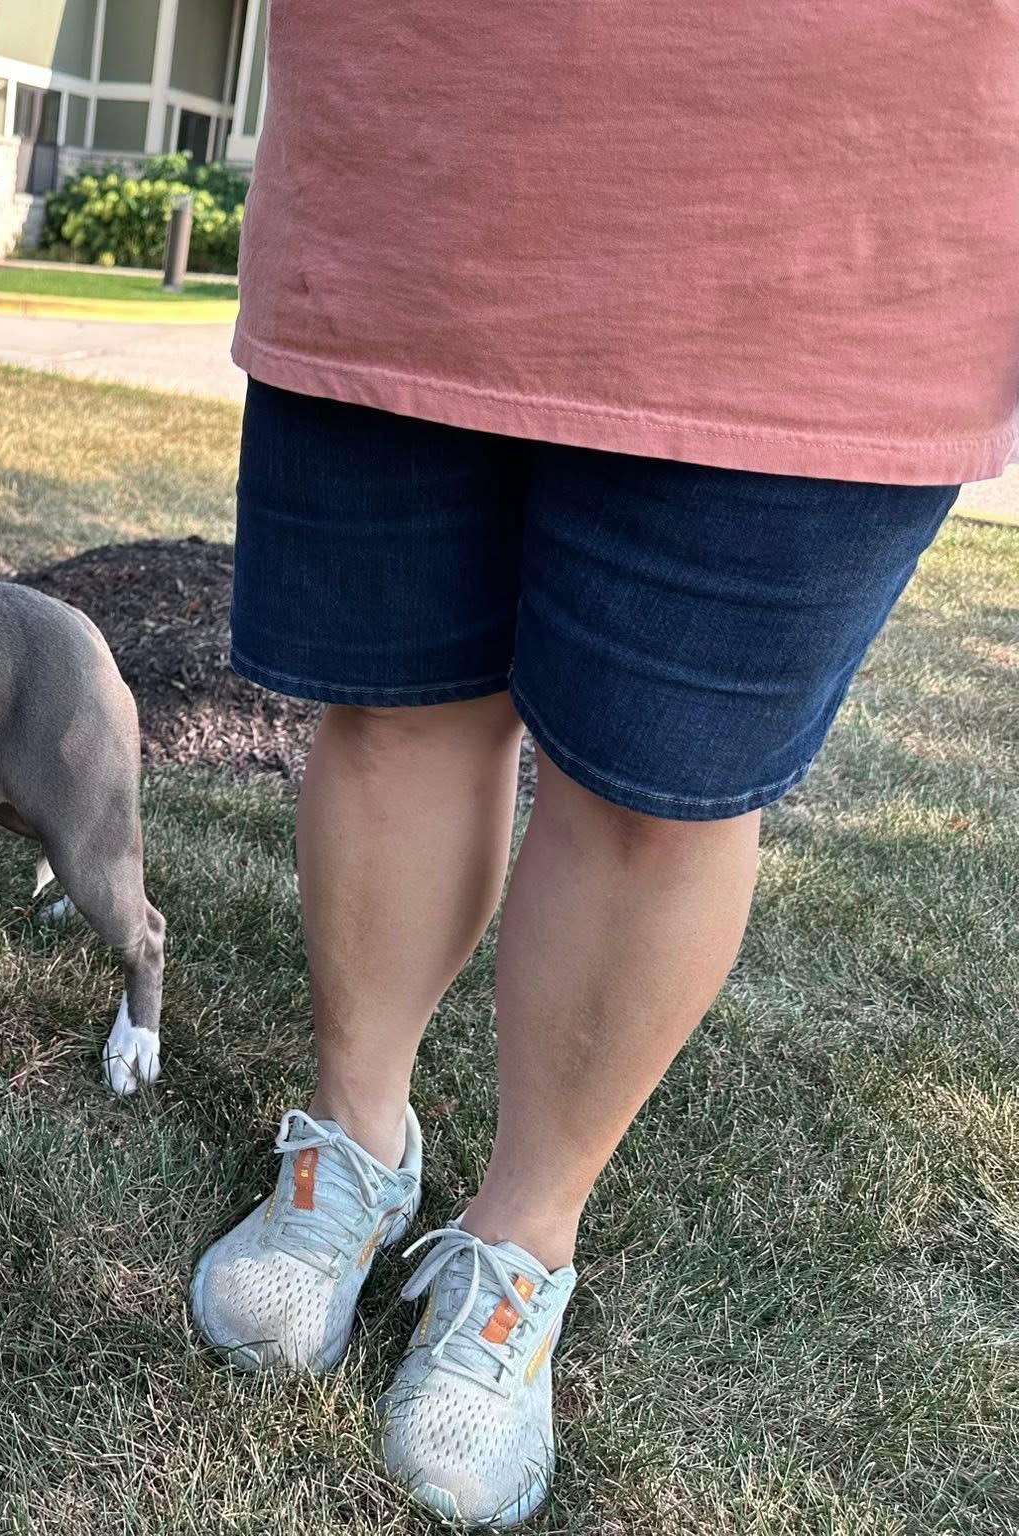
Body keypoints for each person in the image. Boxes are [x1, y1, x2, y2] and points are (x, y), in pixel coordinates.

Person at [186, 4, 1018, 1527]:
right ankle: (358, 1141)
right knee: (393, 713)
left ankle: (523, 1246)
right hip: (412, 161)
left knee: (660, 796)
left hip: (836, 199)